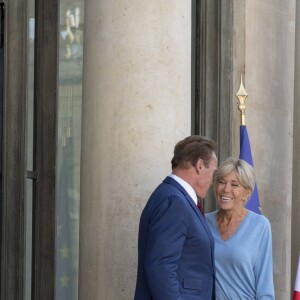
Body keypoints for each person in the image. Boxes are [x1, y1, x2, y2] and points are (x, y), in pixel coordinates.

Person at [134, 135, 218, 300]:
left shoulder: (172, 196)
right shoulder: (174, 201)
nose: (212, 181)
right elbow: (161, 267)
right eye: (212, 172)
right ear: (200, 166)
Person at [206, 157, 275, 299]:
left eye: (234, 185)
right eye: (221, 182)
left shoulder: (260, 226)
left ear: (247, 193)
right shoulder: (203, 222)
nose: (226, 189)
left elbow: (265, 285)